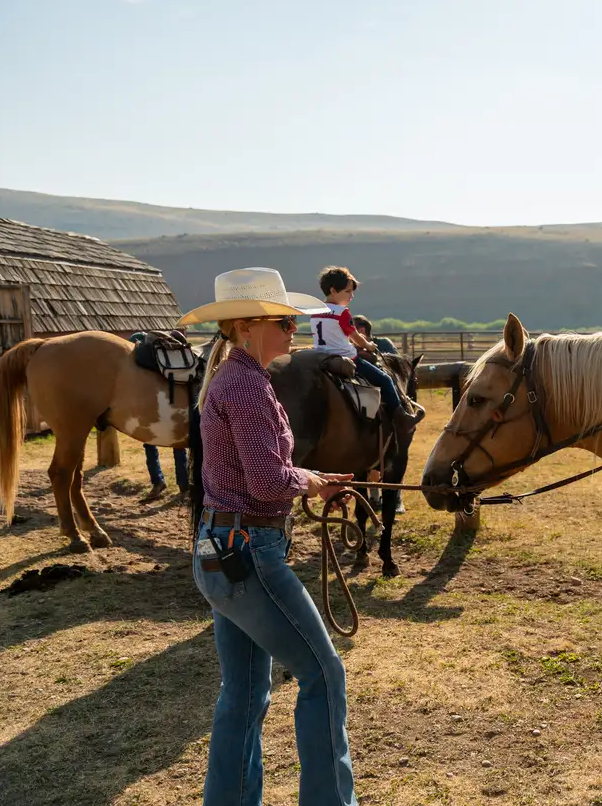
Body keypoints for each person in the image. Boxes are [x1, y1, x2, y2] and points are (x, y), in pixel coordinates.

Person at [178, 267, 359, 806]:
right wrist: (310, 482)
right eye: (284, 322)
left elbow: (258, 474)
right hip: (251, 552)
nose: (293, 331)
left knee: (245, 692)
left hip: (220, 552)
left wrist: (307, 479)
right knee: (323, 675)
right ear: (248, 326)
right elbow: (265, 481)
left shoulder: (231, 380)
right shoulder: (250, 386)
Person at [309, 266, 421, 435]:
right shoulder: (342, 312)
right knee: (385, 380)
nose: (351, 296)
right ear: (333, 290)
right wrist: (368, 346)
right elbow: (355, 337)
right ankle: (401, 418)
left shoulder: (315, 310)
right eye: (347, 292)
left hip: (319, 356)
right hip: (345, 357)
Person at [351, 315, 406, 514]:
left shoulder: (383, 344)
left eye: (360, 328)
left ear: (366, 329)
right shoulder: (351, 343)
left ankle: (400, 416)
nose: (356, 331)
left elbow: (394, 368)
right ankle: (374, 497)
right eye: (355, 328)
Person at [128, 331, 190, 501]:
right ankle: (180, 485)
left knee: (156, 445)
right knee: (173, 446)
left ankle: (163, 483)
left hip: (164, 409)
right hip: (167, 408)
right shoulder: (160, 365)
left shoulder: (145, 367)